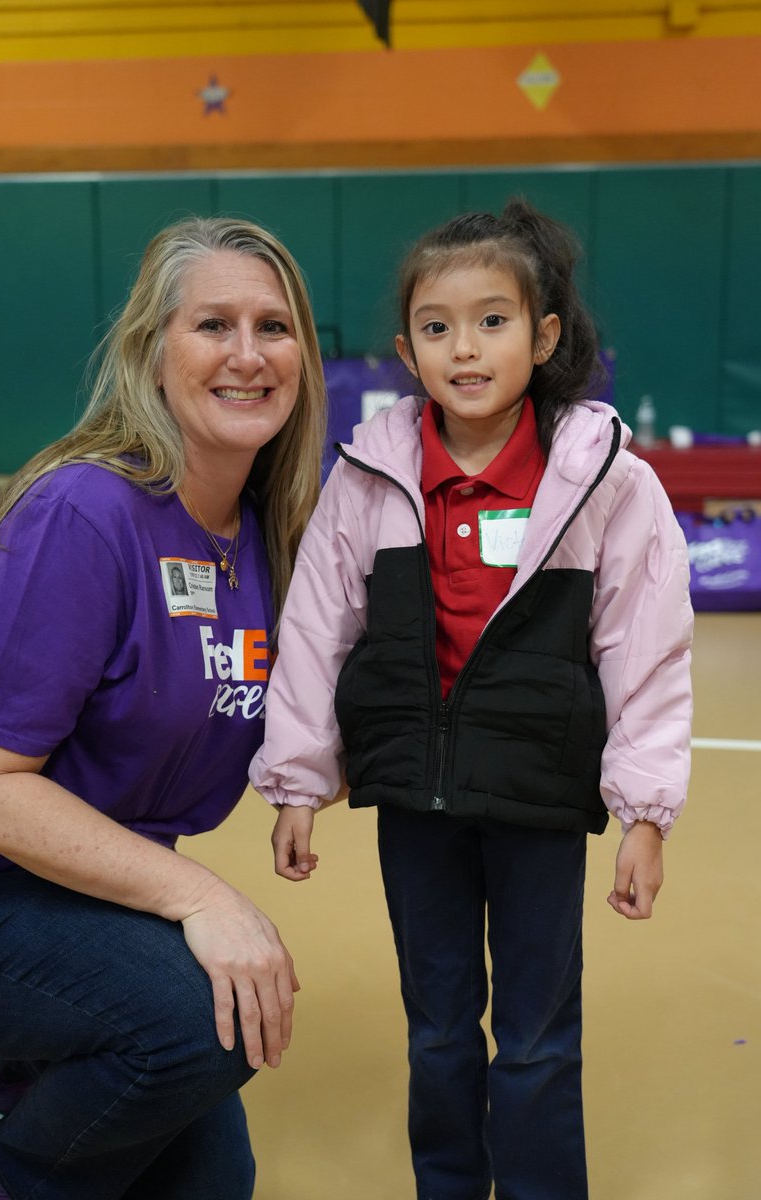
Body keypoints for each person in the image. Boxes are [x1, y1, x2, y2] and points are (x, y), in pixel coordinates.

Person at [250, 200, 693, 1199]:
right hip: (417, 807)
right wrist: (295, 779)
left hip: (536, 804)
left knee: (535, 1040)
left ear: (542, 338)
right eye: (436, 326)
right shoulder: (367, 482)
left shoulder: (606, 484)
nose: (463, 347)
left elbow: (646, 652)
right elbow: (319, 631)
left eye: (491, 320)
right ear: (405, 350)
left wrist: (642, 812)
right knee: (440, 1031)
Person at [0, 215, 326, 1200]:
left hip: (83, 894)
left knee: (212, 1176)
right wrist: (206, 899)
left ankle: (33, 1065)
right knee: (194, 1025)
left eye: (274, 326)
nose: (248, 354)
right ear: (152, 355)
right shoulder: (88, 511)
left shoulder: (265, 535)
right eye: (213, 324)